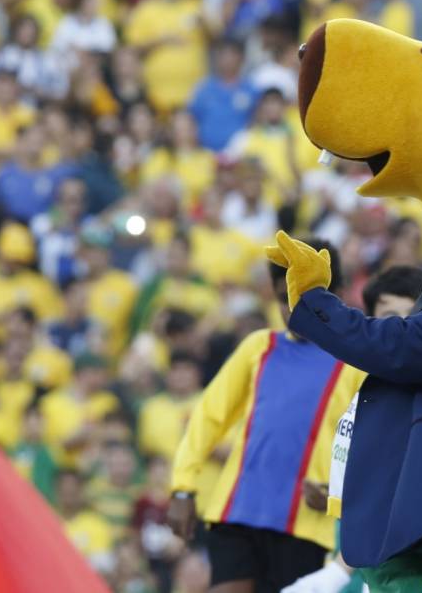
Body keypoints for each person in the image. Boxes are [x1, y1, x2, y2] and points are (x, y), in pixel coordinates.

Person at [167, 239, 365, 593]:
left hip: (308, 524)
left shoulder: (355, 359)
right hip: (238, 509)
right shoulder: (259, 346)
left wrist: (340, 493)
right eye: (282, 296)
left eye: (303, 295)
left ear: (336, 294)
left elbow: (368, 442)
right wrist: (183, 487)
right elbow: (209, 417)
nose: (292, 307)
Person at [283, 265, 422, 593]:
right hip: (345, 534)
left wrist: (338, 572)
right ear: (369, 317)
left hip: (393, 552)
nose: (399, 325)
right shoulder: (348, 375)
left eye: (411, 313)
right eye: (389, 314)